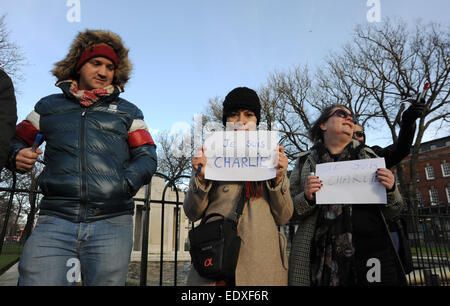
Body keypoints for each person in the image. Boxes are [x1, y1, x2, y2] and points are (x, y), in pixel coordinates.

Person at [6, 30, 157, 286]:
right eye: (96, 63)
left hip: (112, 222)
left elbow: (147, 156)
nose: (103, 72)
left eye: (110, 67)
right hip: (55, 219)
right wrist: (15, 155)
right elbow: (15, 140)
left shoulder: (129, 111)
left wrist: (123, 185)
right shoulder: (47, 107)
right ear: (78, 66)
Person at [183, 87, 293, 286]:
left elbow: (284, 215)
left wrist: (278, 178)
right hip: (217, 258)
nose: (241, 121)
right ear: (226, 120)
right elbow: (192, 212)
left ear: (256, 121)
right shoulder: (210, 153)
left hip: (260, 264)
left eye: (248, 115)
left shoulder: (271, 155)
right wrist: (201, 178)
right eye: (234, 115)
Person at [288, 104, 406, 286]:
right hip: (316, 258)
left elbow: (393, 211)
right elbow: (289, 211)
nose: (350, 119)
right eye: (342, 114)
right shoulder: (304, 161)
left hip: (370, 256)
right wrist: (306, 197)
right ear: (323, 125)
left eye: (353, 117)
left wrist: (391, 190)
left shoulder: (370, 157)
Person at [353, 100, 425, 169]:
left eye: (359, 134)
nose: (355, 137)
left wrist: (408, 122)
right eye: (350, 134)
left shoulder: (373, 154)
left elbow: (400, 149)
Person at [0, 68, 17, 171]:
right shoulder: (48, 107)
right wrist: (16, 153)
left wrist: (15, 154)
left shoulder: (2, 80)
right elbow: (20, 140)